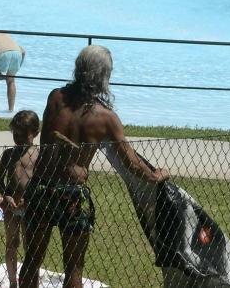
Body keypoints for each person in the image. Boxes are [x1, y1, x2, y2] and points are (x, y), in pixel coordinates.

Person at [18, 45, 170, 288]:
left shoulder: (56, 97)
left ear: (80, 69)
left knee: (32, 261)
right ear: (102, 76)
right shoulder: (106, 117)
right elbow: (130, 161)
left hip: (41, 188)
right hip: (72, 195)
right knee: (74, 271)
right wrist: (155, 175)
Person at [0, 110, 41, 288]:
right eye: (15, 134)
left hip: (30, 208)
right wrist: (6, 195)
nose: (19, 139)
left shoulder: (39, 155)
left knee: (30, 248)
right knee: (12, 244)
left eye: (24, 135)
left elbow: (41, 181)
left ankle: (31, 282)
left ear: (35, 133)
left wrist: (29, 199)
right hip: (11, 207)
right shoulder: (9, 154)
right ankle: (12, 282)